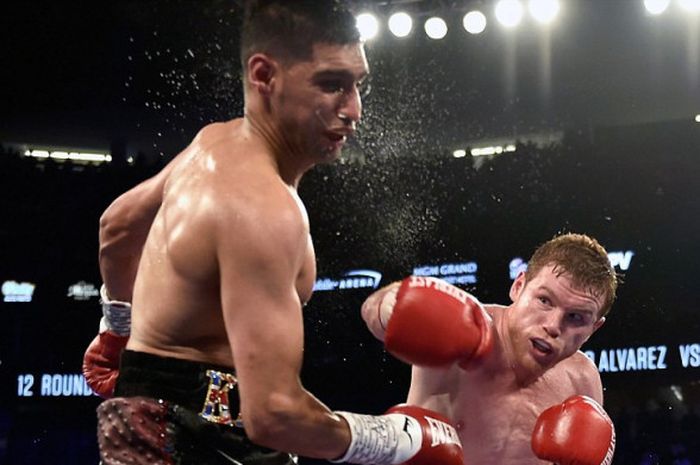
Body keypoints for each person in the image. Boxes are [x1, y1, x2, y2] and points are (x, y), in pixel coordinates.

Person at [82, 2, 464, 465]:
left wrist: (117, 330)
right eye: (332, 84)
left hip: (166, 414)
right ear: (264, 75)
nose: (354, 110)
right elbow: (275, 415)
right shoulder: (262, 209)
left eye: (357, 84)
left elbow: (116, 228)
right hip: (190, 430)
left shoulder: (213, 142)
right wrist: (395, 439)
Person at [361, 233, 618, 465]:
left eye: (576, 318)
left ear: (593, 329)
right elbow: (372, 312)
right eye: (544, 300)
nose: (553, 326)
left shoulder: (582, 379)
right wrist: (394, 304)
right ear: (519, 286)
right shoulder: (461, 329)